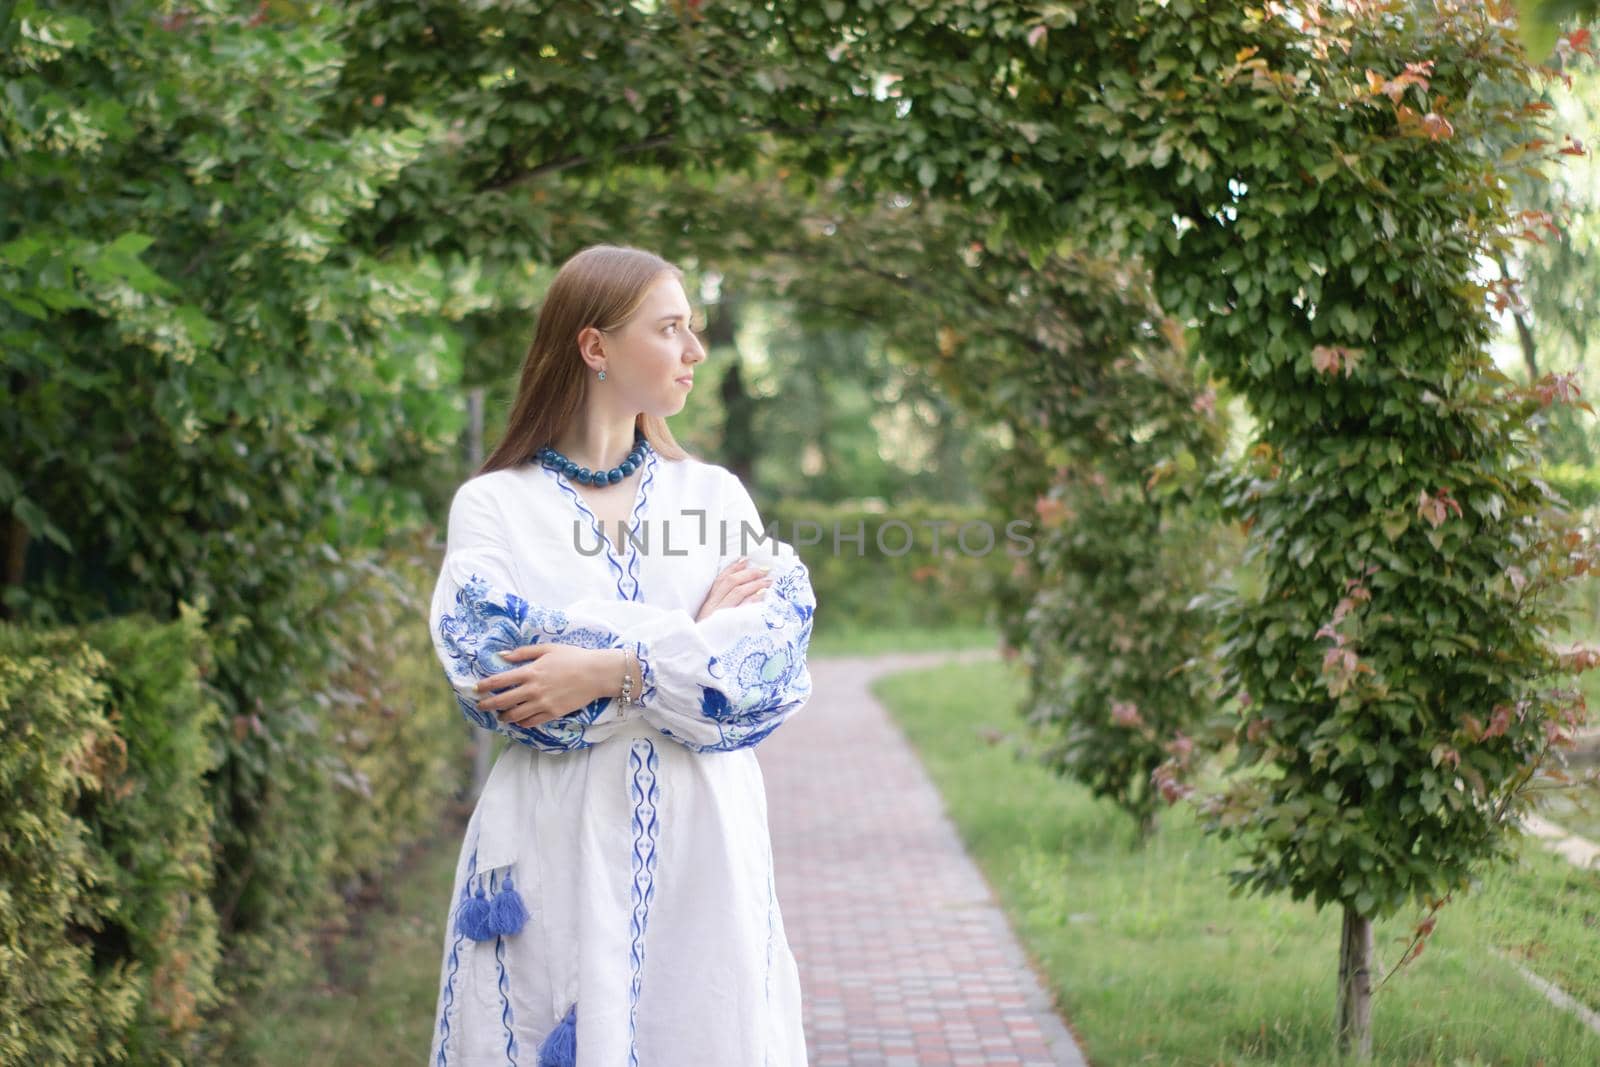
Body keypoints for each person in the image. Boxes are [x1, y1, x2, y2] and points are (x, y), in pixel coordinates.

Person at [425, 244, 816, 1067]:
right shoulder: (494, 506)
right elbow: (501, 680)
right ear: (594, 347)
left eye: (693, 329)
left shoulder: (712, 498)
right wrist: (692, 642)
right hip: (554, 843)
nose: (694, 351)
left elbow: (763, 677)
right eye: (670, 328)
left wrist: (608, 669)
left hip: (703, 845)